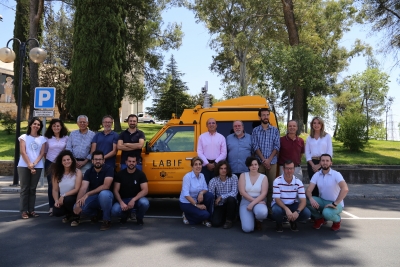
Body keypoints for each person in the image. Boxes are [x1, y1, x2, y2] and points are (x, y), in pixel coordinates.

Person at [306, 154, 349, 231]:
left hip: (336, 203)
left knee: (327, 213)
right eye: (323, 160)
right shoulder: (317, 174)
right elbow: (308, 190)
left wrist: (335, 203)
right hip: (323, 201)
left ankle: (337, 220)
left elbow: (345, 189)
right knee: (306, 200)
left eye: (327, 161)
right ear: (320, 163)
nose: (325, 162)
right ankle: (319, 219)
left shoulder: (336, 174)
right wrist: (311, 199)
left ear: (331, 163)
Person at [73, 150, 114, 230]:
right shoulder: (89, 171)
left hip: (107, 196)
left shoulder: (109, 169)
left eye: (100, 159)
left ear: (103, 160)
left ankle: (106, 220)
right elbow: (83, 188)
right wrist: (77, 204)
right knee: (76, 207)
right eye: (96, 159)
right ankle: (96, 214)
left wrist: (88, 194)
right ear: (92, 161)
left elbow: (106, 186)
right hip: (94, 197)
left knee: (104, 194)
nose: (98, 161)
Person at [251, 108, 280, 213]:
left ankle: (270, 209)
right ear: (260, 117)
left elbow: (277, 146)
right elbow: (255, 146)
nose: (265, 117)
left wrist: (269, 160)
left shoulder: (275, 130)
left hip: (272, 163)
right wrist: (264, 160)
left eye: (267, 115)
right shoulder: (255, 130)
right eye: (263, 115)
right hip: (259, 163)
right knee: (259, 187)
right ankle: (260, 208)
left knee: (271, 187)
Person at [18, 117, 47, 219]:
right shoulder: (23, 137)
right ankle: (24, 211)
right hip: (23, 165)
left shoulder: (43, 139)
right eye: (34, 124)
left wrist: (33, 164)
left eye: (38, 125)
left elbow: (42, 153)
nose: (36, 126)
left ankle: (31, 210)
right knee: (25, 188)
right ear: (30, 125)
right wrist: (29, 164)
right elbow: (23, 152)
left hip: (37, 166)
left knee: (32, 189)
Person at [272, 160, 311, 232]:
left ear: (294, 169)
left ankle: (292, 220)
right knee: (276, 211)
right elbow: (277, 199)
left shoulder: (298, 182)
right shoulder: (277, 181)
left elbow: (303, 201)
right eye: (287, 168)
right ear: (283, 169)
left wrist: (297, 212)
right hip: (280, 205)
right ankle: (279, 222)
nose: (289, 171)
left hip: (293, 204)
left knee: (307, 213)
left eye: (291, 168)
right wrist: (286, 209)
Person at [111, 154, 150, 226]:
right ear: (126, 162)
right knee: (115, 211)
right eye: (129, 161)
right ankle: (124, 215)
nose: (131, 163)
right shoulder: (120, 174)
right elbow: (115, 190)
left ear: (136, 163)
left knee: (145, 203)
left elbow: (145, 190)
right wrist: (121, 203)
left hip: (136, 200)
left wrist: (133, 200)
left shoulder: (141, 174)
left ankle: (139, 217)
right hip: (123, 200)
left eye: (133, 161)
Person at [44, 118, 69, 216]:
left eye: (58, 126)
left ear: (61, 127)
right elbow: (45, 152)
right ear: (51, 127)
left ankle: (62, 205)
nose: (56, 127)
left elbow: (67, 151)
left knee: (62, 185)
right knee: (51, 185)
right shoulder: (47, 138)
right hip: (50, 163)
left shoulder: (66, 138)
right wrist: (50, 161)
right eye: (54, 126)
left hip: (62, 163)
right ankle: (52, 206)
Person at [179, 157, 213, 227]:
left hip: (197, 199)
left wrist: (201, 193)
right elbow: (186, 194)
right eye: (196, 164)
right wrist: (197, 205)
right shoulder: (187, 177)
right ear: (192, 166)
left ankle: (206, 219)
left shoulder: (202, 175)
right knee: (205, 214)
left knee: (210, 195)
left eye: (200, 164)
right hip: (187, 203)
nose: (198, 166)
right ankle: (187, 215)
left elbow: (205, 188)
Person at [51, 150, 82, 226]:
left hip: (74, 197)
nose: (66, 162)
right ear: (61, 162)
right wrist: (56, 200)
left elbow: (77, 189)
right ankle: (69, 214)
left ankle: (76, 217)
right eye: (64, 160)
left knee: (68, 200)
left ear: (72, 160)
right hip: (62, 198)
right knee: (56, 212)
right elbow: (55, 190)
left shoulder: (77, 172)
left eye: (68, 159)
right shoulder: (56, 173)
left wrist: (63, 195)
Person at [238, 156, 268, 232]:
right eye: (251, 165)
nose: (254, 166)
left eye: (255, 164)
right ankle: (250, 219)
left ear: (258, 166)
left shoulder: (263, 177)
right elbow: (242, 192)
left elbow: (264, 193)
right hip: (246, 200)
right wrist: (254, 201)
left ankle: (258, 220)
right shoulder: (243, 175)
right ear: (248, 166)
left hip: (259, 200)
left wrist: (253, 203)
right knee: (247, 229)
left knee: (262, 213)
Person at [305, 117, 333, 197]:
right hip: (312, 164)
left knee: (324, 184)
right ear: (312, 125)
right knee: (314, 185)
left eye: (318, 123)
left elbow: (329, 152)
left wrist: (320, 164)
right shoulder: (309, 138)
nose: (316, 125)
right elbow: (307, 152)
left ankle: (324, 203)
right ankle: (314, 204)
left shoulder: (327, 136)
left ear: (322, 125)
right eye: (314, 123)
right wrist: (313, 165)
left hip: (324, 163)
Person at [208, 161, 238, 229]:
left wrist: (221, 197)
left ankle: (229, 220)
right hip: (220, 205)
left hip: (230, 204)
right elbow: (211, 196)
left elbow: (234, 192)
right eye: (221, 168)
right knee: (215, 223)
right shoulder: (213, 180)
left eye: (225, 168)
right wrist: (211, 213)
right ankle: (224, 217)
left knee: (231, 199)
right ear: (218, 169)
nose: (223, 170)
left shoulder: (234, 177)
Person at [197, 118, 227, 184]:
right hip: (205, 166)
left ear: (216, 125)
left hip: (218, 166)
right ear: (206, 125)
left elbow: (224, 153)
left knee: (218, 186)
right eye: (209, 123)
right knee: (205, 186)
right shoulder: (202, 137)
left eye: (213, 123)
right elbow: (199, 152)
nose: (211, 125)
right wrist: (207, 163)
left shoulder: (221, 137)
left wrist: (215, 163)